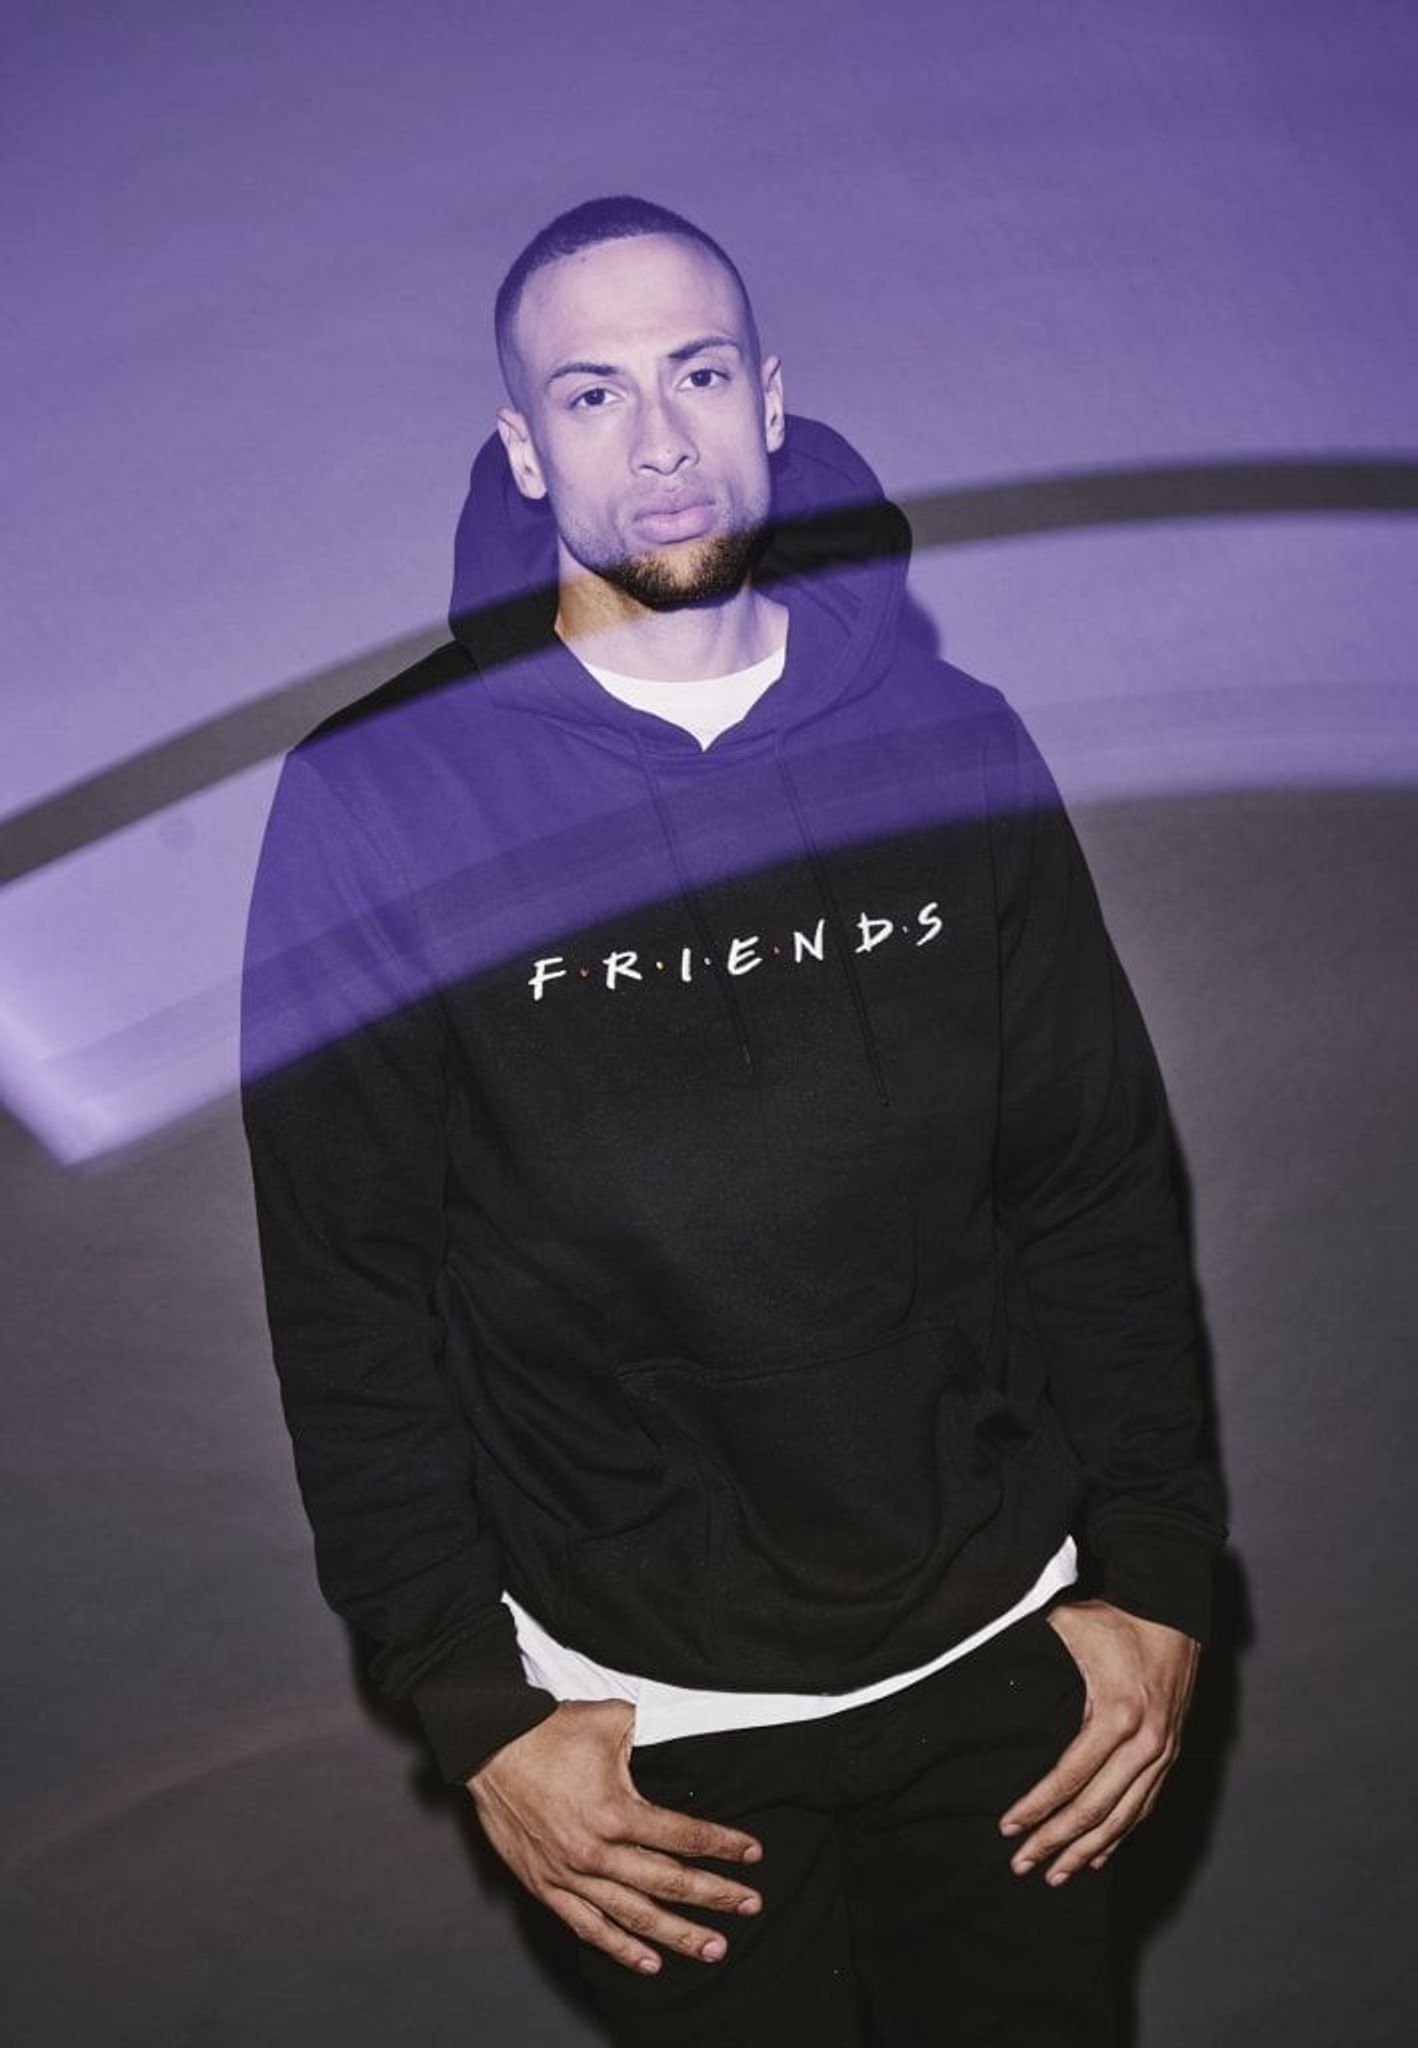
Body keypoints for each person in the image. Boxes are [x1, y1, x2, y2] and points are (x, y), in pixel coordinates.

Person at [240, 195, 1226, 2046]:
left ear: (766, 399)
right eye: (592, 394)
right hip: (651, 1738)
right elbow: (349, 1289)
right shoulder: (380, 801)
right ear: (524, 448)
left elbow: (1092, 1188)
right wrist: (474, 1706)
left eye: (696, 374)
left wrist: (1164, 1576)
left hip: (1001, 1671)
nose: (659, 438)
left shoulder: (948, 742)